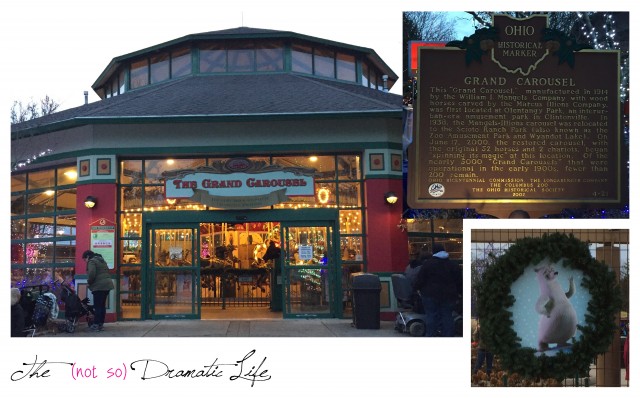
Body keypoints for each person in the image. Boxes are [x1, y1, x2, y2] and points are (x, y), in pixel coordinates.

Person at [412, 243, 462, 337]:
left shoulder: (428, 264)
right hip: (449, 295)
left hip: (430, 295)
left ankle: (431, 335)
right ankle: (448, 336)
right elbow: (459, 281)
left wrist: (415, 289)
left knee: (431, 316)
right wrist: (460, 293)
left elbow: (420, 279)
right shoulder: (453, 265)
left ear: (433, 252)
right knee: (447, 316)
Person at [83, 250, 114, 332]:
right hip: (107, 285)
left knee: (98, 306)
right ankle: (100, 324)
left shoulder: (92, 261)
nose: (85, 261)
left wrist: (89, 282)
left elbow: (92, 273)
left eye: (84, 259)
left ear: (88, 257)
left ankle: (96, 325)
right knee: (102, 305)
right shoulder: (101, 260)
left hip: (99, 286)